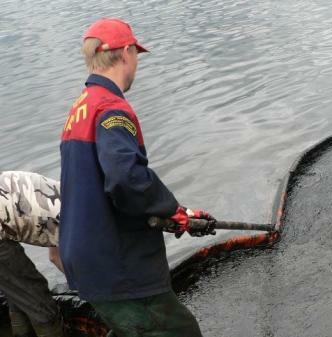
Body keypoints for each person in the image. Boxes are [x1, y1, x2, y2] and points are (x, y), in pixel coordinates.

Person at [59, 18, 215, 337]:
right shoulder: (112, 109)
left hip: (83, 254)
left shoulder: (80, 108)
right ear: (127, 52)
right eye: (136, 55)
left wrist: (168, 212)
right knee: (178, 330)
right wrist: (169, 209)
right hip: (116, 261)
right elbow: (124, 178)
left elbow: (97, 186)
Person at [0, 171, 64, 337]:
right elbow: (57, 258)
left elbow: (54, 255)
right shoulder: (87, 224)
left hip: (6, 202)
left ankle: (20, 331)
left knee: (18, 292)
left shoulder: (69, 194)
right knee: (40, 304)